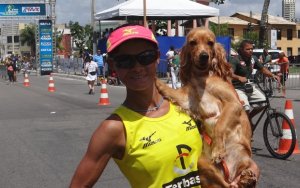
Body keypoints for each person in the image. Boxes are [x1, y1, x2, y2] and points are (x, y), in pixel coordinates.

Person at [70, 25, 259, 188]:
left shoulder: (186, 107)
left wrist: (249, 169)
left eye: (145, 56)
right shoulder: (115, 128)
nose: (137, 67)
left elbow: (234, 142)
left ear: (157, 58)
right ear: (113, 65)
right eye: (125, 60)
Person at [229, 40, 280, 118]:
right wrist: (239, 77)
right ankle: (245, 125)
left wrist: (273, 75)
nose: (250, 51)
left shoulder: (253, 59)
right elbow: (229, 73)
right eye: (248, 49)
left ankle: (249, 118)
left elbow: (263, 69)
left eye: (252, 49)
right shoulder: (235, 59)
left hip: (249, 86)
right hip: (238, 88)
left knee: (264, 102)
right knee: (246, 107)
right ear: (241, 50)